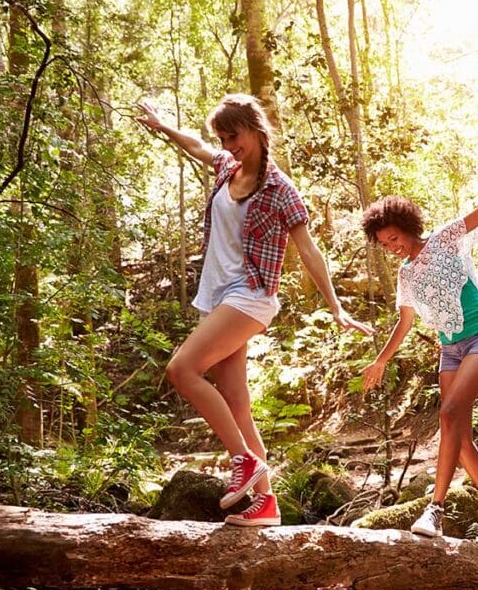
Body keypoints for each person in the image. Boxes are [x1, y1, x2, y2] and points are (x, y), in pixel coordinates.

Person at [136, 94, 373, 527]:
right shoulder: (227, 167)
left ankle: (243, 461)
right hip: (221, 296)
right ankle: (266, 504)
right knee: (238, 403)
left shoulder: (280, 189)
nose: (228, 145)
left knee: (182, 370)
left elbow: (308, 250)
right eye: (223, 138)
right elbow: (196, 146)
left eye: (234, 136)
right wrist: (163, 126)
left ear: (256, 129)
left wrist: (336, 307)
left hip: (251, 296)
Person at [359, 128, 478, 548]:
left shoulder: (447, 239)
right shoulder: (405, 274)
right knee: (460, 437)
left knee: (449, 413)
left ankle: (436, 507)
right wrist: (381, 360)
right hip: (451, 349)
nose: (391, 247)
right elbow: (406, 322)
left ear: (408, 227)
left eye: (393, 238)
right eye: (383, 244)